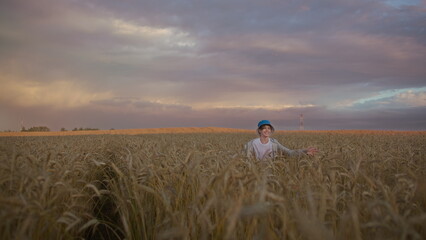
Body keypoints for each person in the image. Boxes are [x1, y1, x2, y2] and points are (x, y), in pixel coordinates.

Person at [244, 120, 318, 160]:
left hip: (270, 172)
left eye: (269, 128)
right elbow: (243, 158)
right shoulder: (251, 144)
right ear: (259, 130)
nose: (267, 130)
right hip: (256, 172)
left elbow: (289, 153)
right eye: (264, 128)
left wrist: (305, 151)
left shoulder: (274, 143)